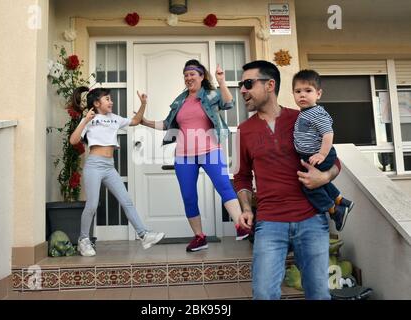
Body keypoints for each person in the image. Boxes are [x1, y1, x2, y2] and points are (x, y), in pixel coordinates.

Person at [234, 60, 341, 300]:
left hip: (311, 218)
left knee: (318, 294)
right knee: (263, 294)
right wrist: (246, 208)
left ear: (270, 85)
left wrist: (324, 177)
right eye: (242, 85)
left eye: (248, 83)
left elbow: (335, 162)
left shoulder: (303, 118)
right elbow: (240, 176)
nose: (242, 90)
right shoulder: (243, 131)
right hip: (269, 223)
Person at [141, 59, 251, 252]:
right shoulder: (180, 101)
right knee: (189, 196)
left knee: (224, 186)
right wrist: (144, 121)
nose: (188, 78)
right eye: (185, 75)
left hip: (211, 150)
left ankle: (240, 226)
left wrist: (222, 81)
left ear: (201, 76)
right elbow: (167, 124)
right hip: (184, 156)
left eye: (192, 74)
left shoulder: (211, 94)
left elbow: (229, 103)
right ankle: (200, 237)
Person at [70, 86, 165, 257]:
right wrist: (84, 121)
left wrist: (143, 104)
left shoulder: (115, 118)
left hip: (109, 166)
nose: (111, 101)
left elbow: (135, 121)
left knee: (126, 201)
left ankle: (144, 235)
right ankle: (83, 240)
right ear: (97, 103)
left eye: (110, 98)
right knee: (92, 204)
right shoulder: (90, 119)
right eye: (107, 99)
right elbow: (73, 140)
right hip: (94, 165)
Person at [292, 69, 354, 231]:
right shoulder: (305, 112)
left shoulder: (317, 113)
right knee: (319, 183)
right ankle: (340, 200)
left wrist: (322, 154)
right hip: (311, 156)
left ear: (318, 94)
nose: (302, 95)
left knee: (309, 186)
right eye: (298, 91)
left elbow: (328, 134)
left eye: (308, 91)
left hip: (321, 155)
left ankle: (334, 211)